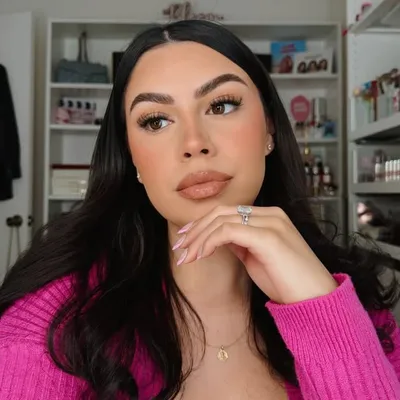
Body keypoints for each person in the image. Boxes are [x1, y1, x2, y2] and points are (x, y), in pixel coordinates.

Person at [0, 19, 400, 400]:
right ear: (132, 158)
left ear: (269, 129)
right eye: (156, 121)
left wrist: (322, 312)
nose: (194, 143)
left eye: (221, 105)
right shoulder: (51, 323)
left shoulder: (351, 304)